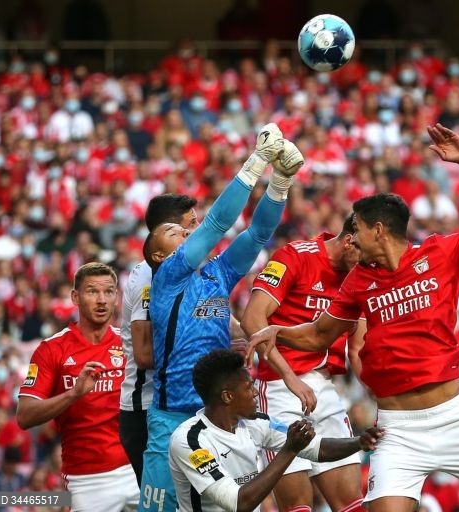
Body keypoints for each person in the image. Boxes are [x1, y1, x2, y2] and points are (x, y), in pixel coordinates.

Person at [247, 123, 459, 512]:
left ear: (379, 231)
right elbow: (318, 335)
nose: (352, 238)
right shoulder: (359, 280)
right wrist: (278, 331)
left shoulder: (442, 254)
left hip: (454, 416)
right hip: (397, 429)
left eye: (359, 230)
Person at [139, 123, 305, 512]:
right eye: (171, 231)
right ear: (158, 256)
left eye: (183, 228)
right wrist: (257, 161)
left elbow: (259, 233)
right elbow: (215, 225)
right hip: (172, 418)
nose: (183, 230)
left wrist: (280, 180)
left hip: (219, 418)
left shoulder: (217, 272)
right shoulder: (167, 278)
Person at [241, 214, 366, 512]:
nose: (369, 262)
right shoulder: (294, 255)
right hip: (279, 387)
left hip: (324, 388)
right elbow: (253, 318)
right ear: (349, 241)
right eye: (365, 254)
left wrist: (385, 399)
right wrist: (289, 376)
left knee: (352, 505)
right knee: (297, 507)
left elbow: (357, 349)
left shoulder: (360, 277)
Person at [169, 349, 384, 512]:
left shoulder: (257, 423)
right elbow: (238, 503)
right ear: (227, 397)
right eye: (248, 387)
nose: (255, 392)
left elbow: (319, 449)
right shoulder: (190, 441)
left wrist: (358, 442)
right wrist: (289, 450)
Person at [16, 262, 140, 511]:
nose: (102, 300)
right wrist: (73, 394)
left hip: (138, 470)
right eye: (92, 291)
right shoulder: (51, 350)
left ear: (117, 296)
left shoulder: (130, 343)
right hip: (87, 481)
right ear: (75, 297)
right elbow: (25, 416)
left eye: (109, 291)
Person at [119, 193, 199, 485]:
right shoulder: (147, 276)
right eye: (190, 223)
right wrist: (199, 357)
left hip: (179, 400)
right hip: (146, 406)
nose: (196, 229)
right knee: (162, 500)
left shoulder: (188, 271)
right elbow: (143, 354)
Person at [0, 446, 26, 512]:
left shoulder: (21, 478)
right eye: (9, 463)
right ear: (4, 461)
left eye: (14, 463)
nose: (11, 466)